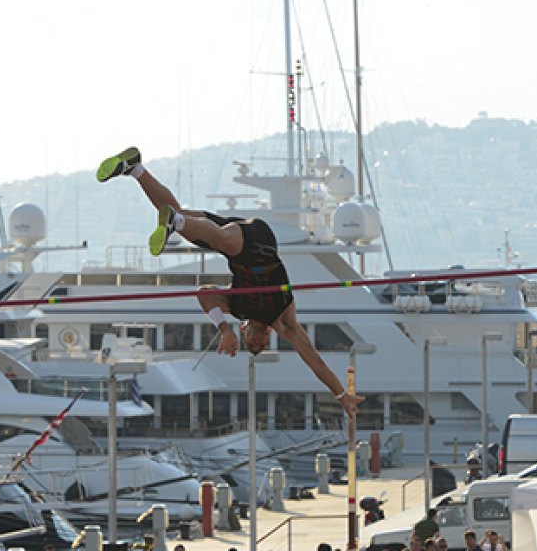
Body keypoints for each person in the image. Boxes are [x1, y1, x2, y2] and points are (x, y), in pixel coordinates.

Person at [97, 148, 364, 414]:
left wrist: (224, 329)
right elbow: (314, 361)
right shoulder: (283, 322)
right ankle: (175, 223)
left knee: (185, 217)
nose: (256, 343)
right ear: (268, 334)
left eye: (250, 344)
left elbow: (204, 294)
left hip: (231, 240)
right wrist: (341, 395)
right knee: (218, 239)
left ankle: (135, 169)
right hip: (260, 245)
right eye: (260, 345)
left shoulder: (236, 307)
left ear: (243, 329)